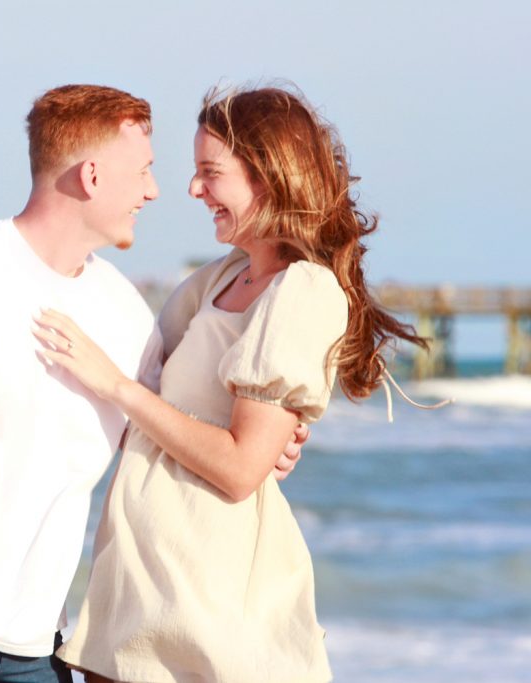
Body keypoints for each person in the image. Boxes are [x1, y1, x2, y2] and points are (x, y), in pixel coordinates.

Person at [0, 84, 306, 683]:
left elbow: (160, 438)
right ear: (94, 177)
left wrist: (265, 443)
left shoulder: (129, 317)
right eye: (145, 172)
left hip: (38, 642)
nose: (156, 191)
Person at [37, 86, 427, 683]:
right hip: (139, 589)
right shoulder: (216, 278)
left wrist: (118, 389)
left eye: (209, 173)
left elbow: (242, 468)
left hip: (209, 605)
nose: (192, 190)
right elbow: (145, 390)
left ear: (267, 176)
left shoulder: (303, 290)